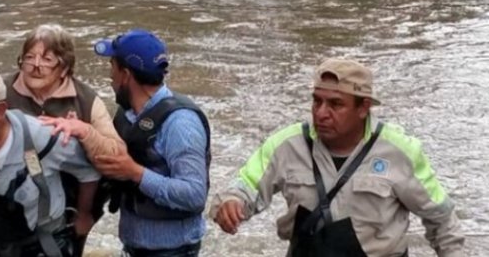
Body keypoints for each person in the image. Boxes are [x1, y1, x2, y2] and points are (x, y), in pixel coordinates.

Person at [210, 58, 464, 257]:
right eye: (316, 101)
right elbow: (246, 184)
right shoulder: (287, 145)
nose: (321, 113)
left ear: (363, 108)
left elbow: (441, 219)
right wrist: (232, 202)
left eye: (335, 104)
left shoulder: (400, 152)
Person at [0, 23, 124, 256]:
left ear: (64, 68)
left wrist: (85, 132)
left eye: (48, 59)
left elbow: (116, 155)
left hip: (65, 202)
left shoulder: (86, 100)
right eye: (29, 58)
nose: (36, 66)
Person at [91, 29, 211, 257]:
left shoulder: (180, 123)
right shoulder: (127, 115)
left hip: (174, 251)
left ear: (125, 74)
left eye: (112, 66)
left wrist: (135, 172)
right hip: (134, 248)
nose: (110, 76)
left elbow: (195, 195)